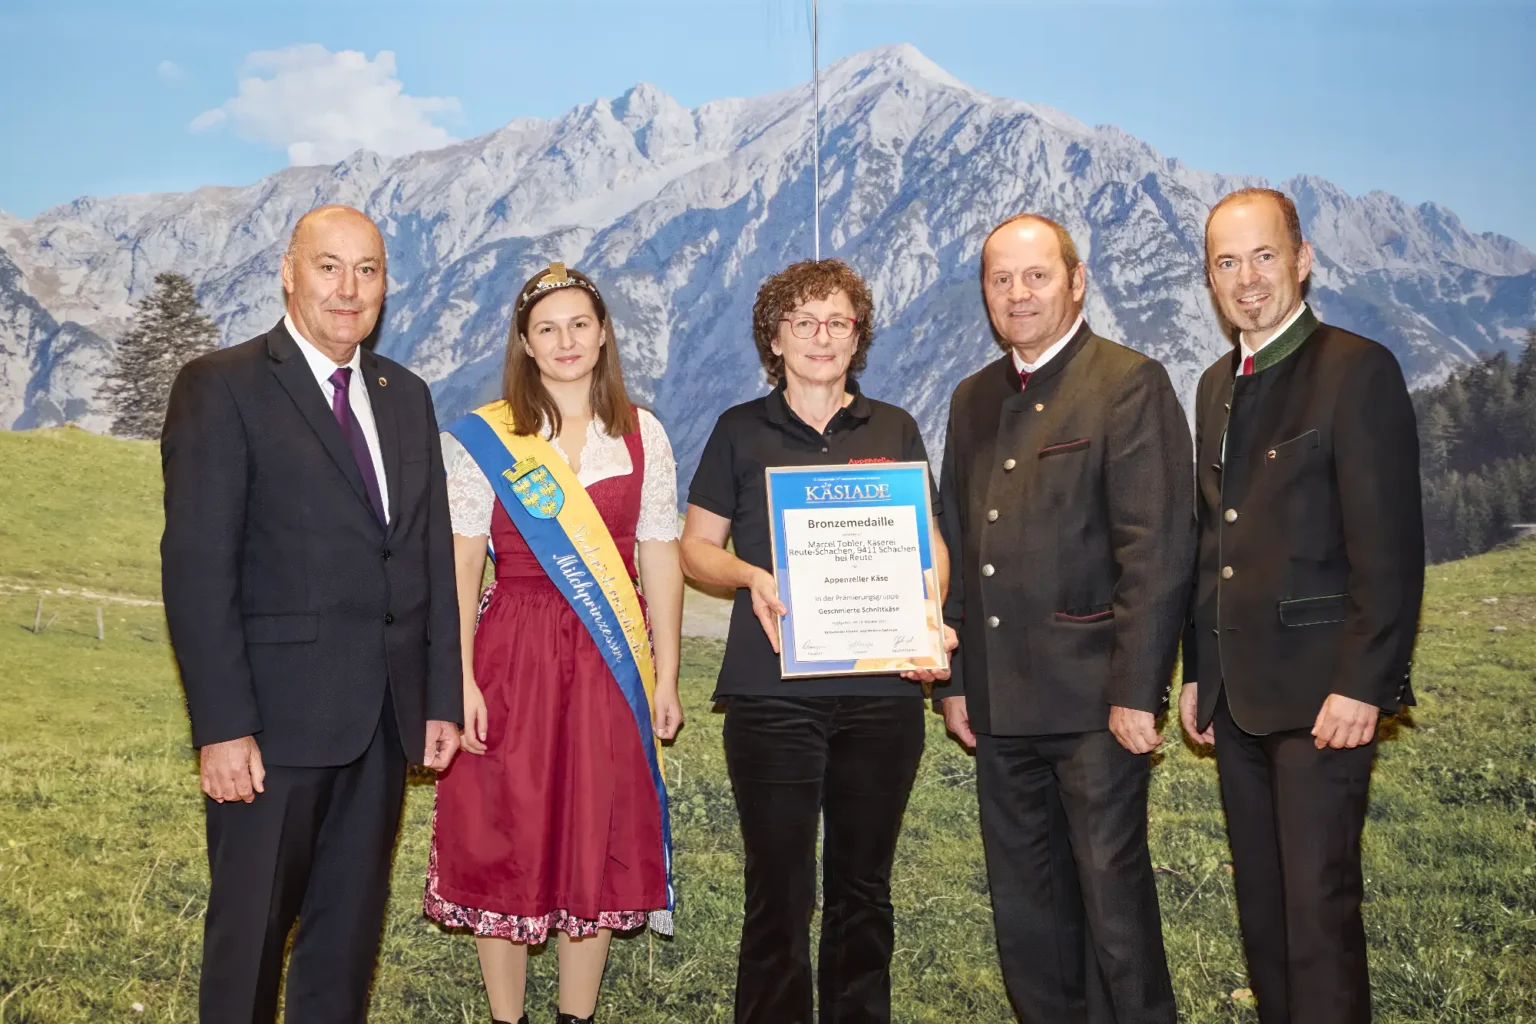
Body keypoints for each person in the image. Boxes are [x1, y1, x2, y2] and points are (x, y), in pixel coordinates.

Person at [161, 204, 463, 1023]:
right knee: (248, 945)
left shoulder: (407, 395)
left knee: (345, 945)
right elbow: (196, 569)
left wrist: (439, 696)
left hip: (382, 724)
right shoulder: (220, 385)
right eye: (328, 266)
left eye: (367, 270)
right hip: (269, 732)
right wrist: (222, 726)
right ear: (288, 273)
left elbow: (426, 550)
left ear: (386, 286)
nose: (348, 288)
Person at [932, 214, 1192, 1023]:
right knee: (1027, 917)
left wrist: (1136, 690)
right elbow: (956, 544)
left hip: (1095, 707)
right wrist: (954, 683)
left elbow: (1157, 550)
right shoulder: (971, 398)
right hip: (1000, 708)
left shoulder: (1128, 382)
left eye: (1036, 276)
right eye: (1000, 280)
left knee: (1115, 913)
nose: (1018, 294)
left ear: (1076, 281)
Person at [680, 258, 954, 1024]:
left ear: (857, 334)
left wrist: (930, 611)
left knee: (864, 890)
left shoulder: (894, 427)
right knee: (780, 892)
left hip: (881, 695)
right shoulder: (739, 428)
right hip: (772, 696)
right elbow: (695, 546)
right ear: (775, 337)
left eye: (837, 321)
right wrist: (749, 575)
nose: (821, 337)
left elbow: (928, 546)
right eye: (803, 322)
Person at [1180, 187, 1424, 1024]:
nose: (1247, 280)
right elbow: (1213, 546)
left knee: (1317, 916)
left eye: (1263, 256)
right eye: (1226, 263)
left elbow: (1388, 550)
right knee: (1264, 915)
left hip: (1326, 700)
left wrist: (1366, 683)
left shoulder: (1357, 369)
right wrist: (1196, 676)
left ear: (1302, 259)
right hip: (1237, 702)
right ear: (1210, 280)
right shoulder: (1215, 384)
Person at [424, 263, 684, 1024]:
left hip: (610, 657)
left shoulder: (644, 432)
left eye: (579, 325)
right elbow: (463, 560)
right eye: (548, 329)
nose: (566, 341)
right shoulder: (485, 435)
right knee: (505, 819)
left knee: (593, 822)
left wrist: (665, 674)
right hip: (513, 651)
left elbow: (660, 553)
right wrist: (459, 676)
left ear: (603, 334)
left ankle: (578, 1017)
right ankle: (508, 1019)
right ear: (526, 345)